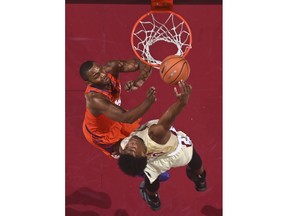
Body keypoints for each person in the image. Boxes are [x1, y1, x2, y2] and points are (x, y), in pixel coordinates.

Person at [117, 80, 207, 211]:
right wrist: (182, 102)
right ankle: (200, 179)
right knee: (193, 157)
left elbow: (124, 152)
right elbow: (169, 117)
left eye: (127, 151)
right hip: (178, 153)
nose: (129, 147)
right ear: (143, 155)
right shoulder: (155, 134)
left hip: (154, 161)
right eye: (133, 151)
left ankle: (153, 200)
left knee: (151, 179)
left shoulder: (124, 148)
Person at [80, 59, 156, 158]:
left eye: (101, 70)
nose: (102, 75)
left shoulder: (111, 67)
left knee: (143, 141)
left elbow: (143, 62)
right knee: (131, 154)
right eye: (96, 76)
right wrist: (148, 102)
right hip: (102, 134)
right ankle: (148, 172)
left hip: (115, 117)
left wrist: (139, 81)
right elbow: (127, 118)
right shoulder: (95, 99)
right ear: (88, 82)